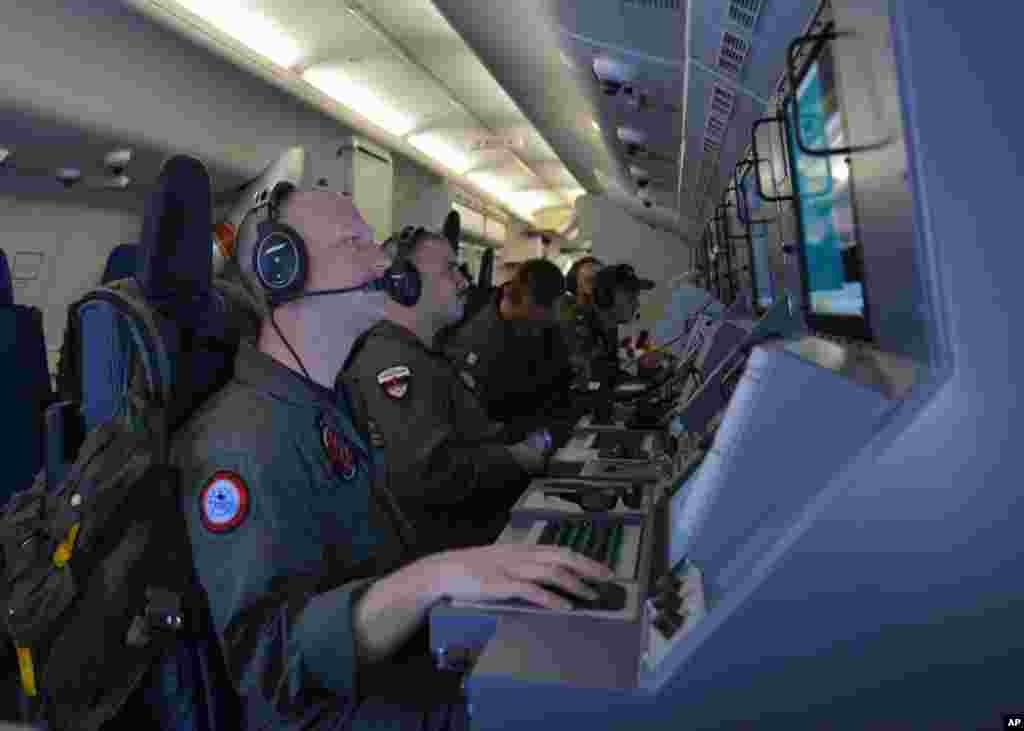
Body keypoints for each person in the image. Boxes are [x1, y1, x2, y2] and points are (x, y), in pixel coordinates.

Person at [171, 187, 614, 730]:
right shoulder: (239, 441)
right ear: (283, 270)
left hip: (398, 674)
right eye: (353, 243)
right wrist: (431, 580)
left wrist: (462, 583)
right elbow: (276, 670)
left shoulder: (328, 402)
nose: (381, 260)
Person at [341, 224, 548, 556]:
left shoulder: (423, 354)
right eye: (450, 270)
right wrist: (513, 458)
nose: (463, 282)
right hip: (446, 558)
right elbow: (429, 476)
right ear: (403, 284)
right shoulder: (394, 364)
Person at [440, 258, 574, 433]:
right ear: (527, 300)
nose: (554, 319)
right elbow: (476, 423)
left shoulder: (544, 325)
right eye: (548, 313)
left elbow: (558, 383)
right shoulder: (477, 343)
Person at [562, 263, 655, 388]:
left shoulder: (608, 327)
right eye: (631, 297)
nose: (637, 304)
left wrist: (645, 370)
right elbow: (585, 386)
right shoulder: (580, 328)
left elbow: (610, 376)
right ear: (605, 297)